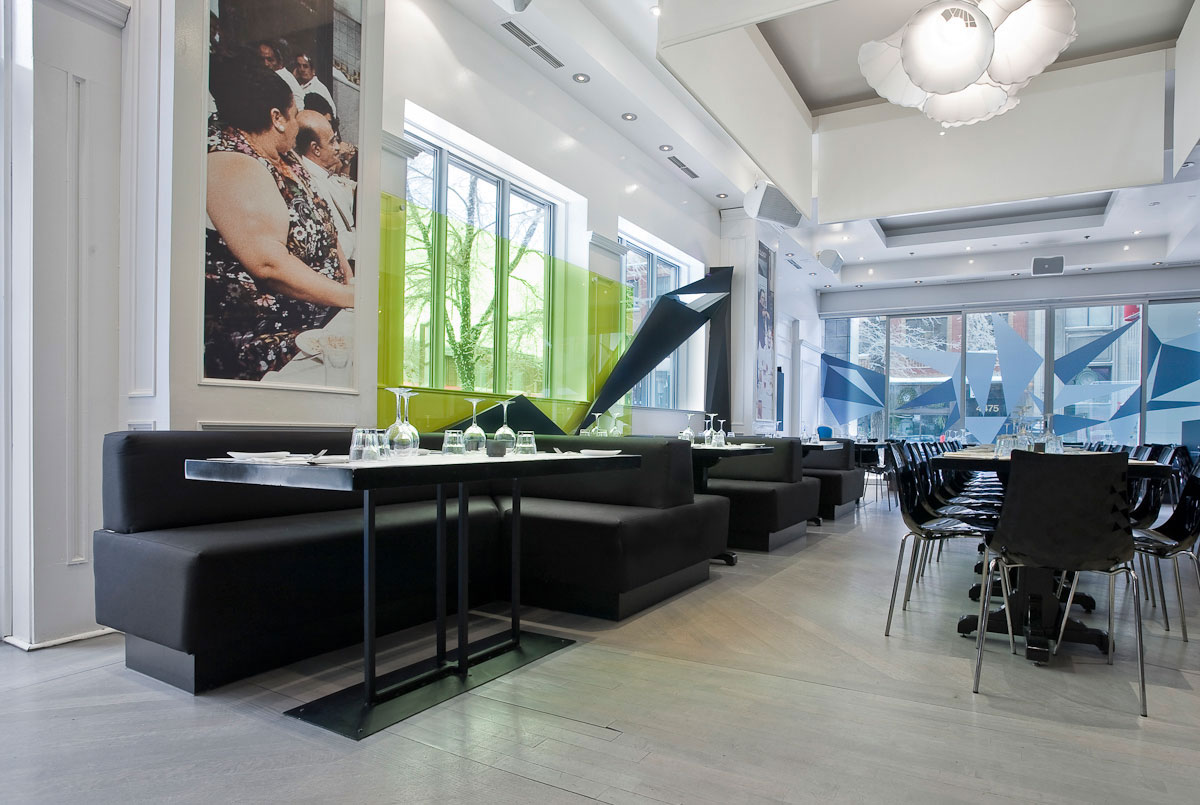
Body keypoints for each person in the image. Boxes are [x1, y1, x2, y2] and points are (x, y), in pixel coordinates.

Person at [205, 59, 354, 381]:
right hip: (271, 336)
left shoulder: (282, 153)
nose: (298, 124)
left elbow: (323, 222)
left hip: (324, 313)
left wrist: (347, 278)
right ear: (277, 118)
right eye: (294, 113)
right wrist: (350, 297)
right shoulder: (232, 162)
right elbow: (268, 264)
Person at [295, 109, 356, 260]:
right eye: (332, 142)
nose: (338, 147)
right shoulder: (311, 185)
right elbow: (333, 245)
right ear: (315, 149)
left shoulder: (326, 175)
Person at [256, 40, 305, 111]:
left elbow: (300, 105)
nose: (265, 64)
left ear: (279, 62)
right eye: (261, 59)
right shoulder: (265, 76)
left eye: (270, 60)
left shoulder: (283, 77)